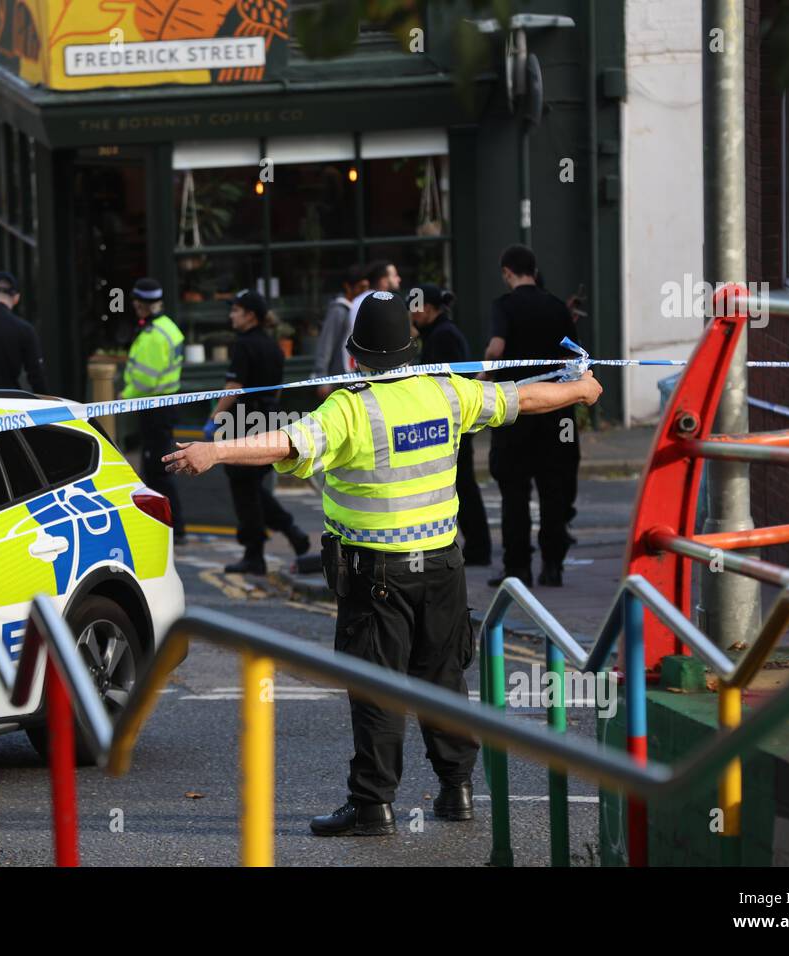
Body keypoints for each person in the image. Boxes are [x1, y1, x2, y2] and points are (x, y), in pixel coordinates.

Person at [163, 291, 601, 836]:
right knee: (443, 680)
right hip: (443, 567)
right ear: (411, 350)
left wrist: (214, 451)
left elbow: (284, 444)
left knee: (376, 688)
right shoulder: (447, 394)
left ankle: (373, 807)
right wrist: (579, 388)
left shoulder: (350, 409)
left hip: (376, 576)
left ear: (356, 357)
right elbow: (522, 399)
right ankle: (457, 790)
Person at [484, 245, 581, 587]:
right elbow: (575, 357)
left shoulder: (504, 306)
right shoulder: (557, 306)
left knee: (514, 495)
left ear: (507, 272)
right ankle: (552, 566)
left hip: (516, 410)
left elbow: (496, 348)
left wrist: (484, 378)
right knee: (554, 492)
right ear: (535, 270)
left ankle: (518, 568)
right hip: (556, 413)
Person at [203, 290, 310, 574]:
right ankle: (291, 530)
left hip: (243, 420)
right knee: (252, 487)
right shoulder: (273, 346)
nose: (231, 315)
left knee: (243, 490)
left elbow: (234, 388)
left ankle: (254, 555)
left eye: (235, 310)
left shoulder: (244, 345)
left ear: (250, 315)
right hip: (267, 419)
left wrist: (215, 418)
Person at [409, 283, 491, 566]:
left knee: (463, 485)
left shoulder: (443, 337)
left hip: (450, 425)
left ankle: (479, 548)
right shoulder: (439, 334)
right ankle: (475, 546)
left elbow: (445, 384)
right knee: (460, 485)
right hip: (447, 424)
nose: (412, 316)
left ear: (430, 309)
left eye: (415, 310)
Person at [123, 277, 186, 545]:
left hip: (154, 406)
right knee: (159, 467)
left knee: (156, 470)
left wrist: (123, 396)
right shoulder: (169, 328)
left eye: (137, 303)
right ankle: (171, 527)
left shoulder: (152, 336)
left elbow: (145, 381)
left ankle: (174, 528)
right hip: (165, 404)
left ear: (142, 305)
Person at [312, 264, 367, 397]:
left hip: (356, 376)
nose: (364, 291)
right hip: (340, 379)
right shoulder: (339, 310)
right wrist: (321, 378)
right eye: (361, 287)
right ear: (348, 287)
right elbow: (326, 343)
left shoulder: (359, 308)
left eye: (366, 287)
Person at [342, 259, 401, 371]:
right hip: (372, 366)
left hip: (364, 364)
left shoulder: (360, 299)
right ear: (383, 281)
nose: (398, 279)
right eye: (394, 275)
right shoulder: (375, 302)